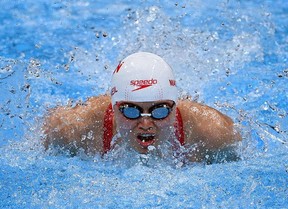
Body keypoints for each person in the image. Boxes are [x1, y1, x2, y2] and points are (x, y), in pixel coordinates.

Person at [43, 52, 241, 163]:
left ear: (175, 106)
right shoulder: (78, 127)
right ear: (114, 107)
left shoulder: (213, 131)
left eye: (160, 110)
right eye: (131, 110)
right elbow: (48, 130)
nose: (146, 123)